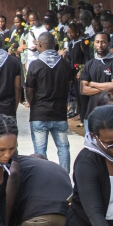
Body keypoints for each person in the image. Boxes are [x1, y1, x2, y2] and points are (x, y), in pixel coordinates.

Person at [24, 32, 74, 171]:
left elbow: (29, 90)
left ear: (39, 45)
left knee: (40, 152)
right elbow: (68, 87)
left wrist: (33, 104)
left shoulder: (35, 65)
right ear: (54, 45)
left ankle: (44, 180)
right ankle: (65, 179)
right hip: (59, 113)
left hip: (39, 113)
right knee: (63, 148)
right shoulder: (65, 64)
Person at [78, 32, 113, 126]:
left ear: (109, 43)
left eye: (103, 42)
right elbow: (83, 90)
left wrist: (92, 84)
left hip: (110, 115)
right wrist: (106, 89)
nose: (100, 45)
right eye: (97, 42)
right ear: (94, 43)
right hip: (91, 114)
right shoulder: (89, 64)